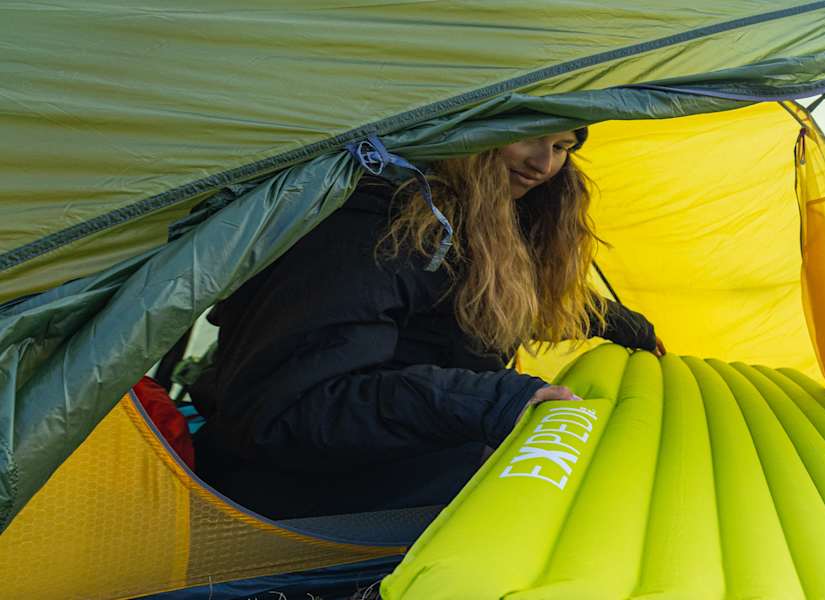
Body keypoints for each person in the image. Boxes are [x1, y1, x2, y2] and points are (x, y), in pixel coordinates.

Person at [190, 128, 658, 519]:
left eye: (563, 147)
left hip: (389, 464)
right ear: (475, 128)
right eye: (532, 136)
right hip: (289, 501)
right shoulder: (373, 228)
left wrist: (617, 322)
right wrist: (494, 400)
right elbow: (291, 411)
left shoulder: (456, 220)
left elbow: (465, 313)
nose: (543, 164)